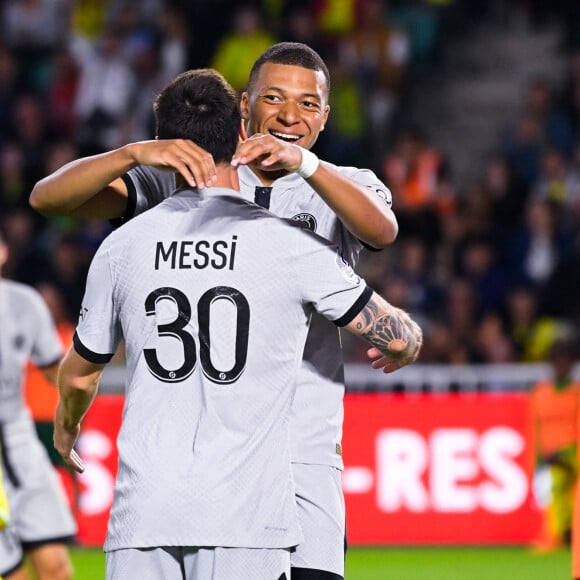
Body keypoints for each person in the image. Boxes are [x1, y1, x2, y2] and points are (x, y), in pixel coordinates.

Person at [30, 42, 399, 580]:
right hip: (212, 464)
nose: (290, 116)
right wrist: (132, 153)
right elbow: (49, 200)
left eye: (308, 104)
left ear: (324, 116)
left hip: (304, 451)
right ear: (245, 107)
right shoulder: (189, 173)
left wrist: (308, 165)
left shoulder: (344, 184)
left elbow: (382, 231)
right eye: (273, 98)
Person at [0, 232, 76, 580]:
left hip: (21, 444)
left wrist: (75, 408)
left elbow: (54, 371)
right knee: (12, 574)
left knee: (57, 569)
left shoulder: (24, 302)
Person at [531, 336, 580, 553]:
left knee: (560, 483)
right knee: (550, 485)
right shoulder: (541, 392)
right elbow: (534, 428)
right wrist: (538, 458)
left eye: (566, 359)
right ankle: (560, 534)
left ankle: (561, 534)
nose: (561, 364)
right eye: (557, 359)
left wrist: (568, 455)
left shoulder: (576, 393)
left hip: (573, 455)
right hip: (549, 458)